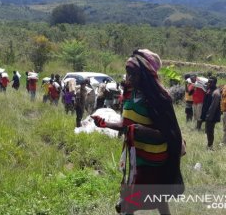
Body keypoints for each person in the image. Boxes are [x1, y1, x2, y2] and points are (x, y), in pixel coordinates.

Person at [91, 49, 184, 214]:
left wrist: (143, 131)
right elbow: (126, 124)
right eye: (128, 74)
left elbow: (168, 134)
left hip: (153, 159)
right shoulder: (132, 95)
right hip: (136, 156)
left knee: (135, 199)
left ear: (145, 75)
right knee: (157, 198)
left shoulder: (158, 98)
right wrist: (105, 124)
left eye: (133, 75)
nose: (129, 79)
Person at [201, 76, 221, 150]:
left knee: (210, 131)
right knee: (208, 131)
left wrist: (208, 117)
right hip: (208, 115)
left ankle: (210, 146)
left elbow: (213, 107)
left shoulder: (216, 93)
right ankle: (209, 145)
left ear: (214, 83)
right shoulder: (209, 90)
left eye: (210, 82)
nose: (208, 83)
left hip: (212, 116)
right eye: (208, 82)